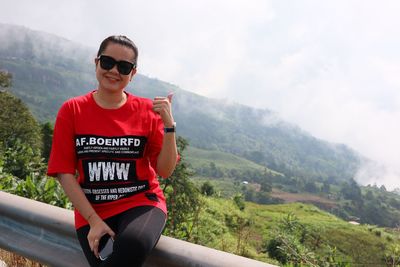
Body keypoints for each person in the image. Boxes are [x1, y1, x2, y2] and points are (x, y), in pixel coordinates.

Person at [47, 35, 178, 267]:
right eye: (108, 62)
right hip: (93, 208)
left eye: (124, 67)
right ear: (96, 62)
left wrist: (169, 126)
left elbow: (165, 170)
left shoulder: (147, 111)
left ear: (133, 73)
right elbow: (64, 173)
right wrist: (93, 220)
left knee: (132, 246)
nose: (114, 71)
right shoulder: (73, 110)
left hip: (141, 203)